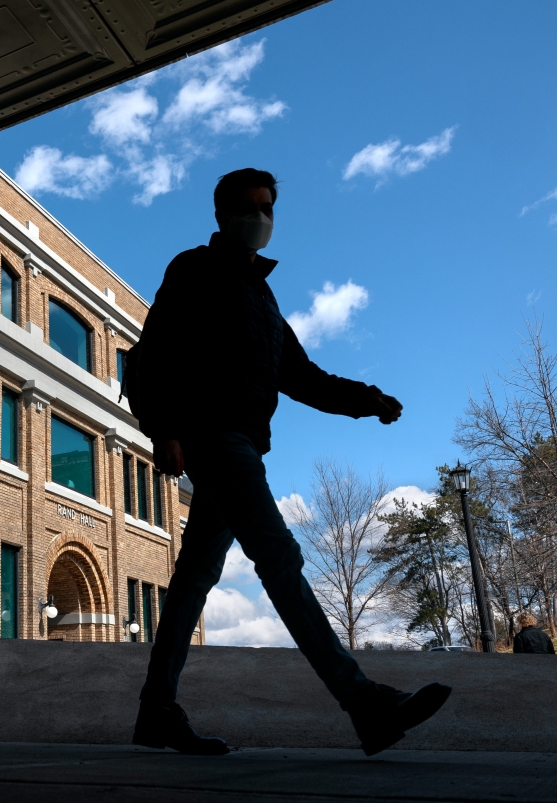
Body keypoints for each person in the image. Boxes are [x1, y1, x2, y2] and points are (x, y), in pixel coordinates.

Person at [127, 168, 451, 757]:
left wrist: (366, 400)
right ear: (223, 215)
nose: (262, 218)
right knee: (279, 557)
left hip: (244, 444)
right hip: (212, 437)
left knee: (194, 578)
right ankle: (364, 703)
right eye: (251, 207)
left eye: (269, 208)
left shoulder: (263, 296)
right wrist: (163, 429)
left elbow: (302, 376)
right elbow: (154, 352)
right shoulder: (193, 270)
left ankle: (156, 711)